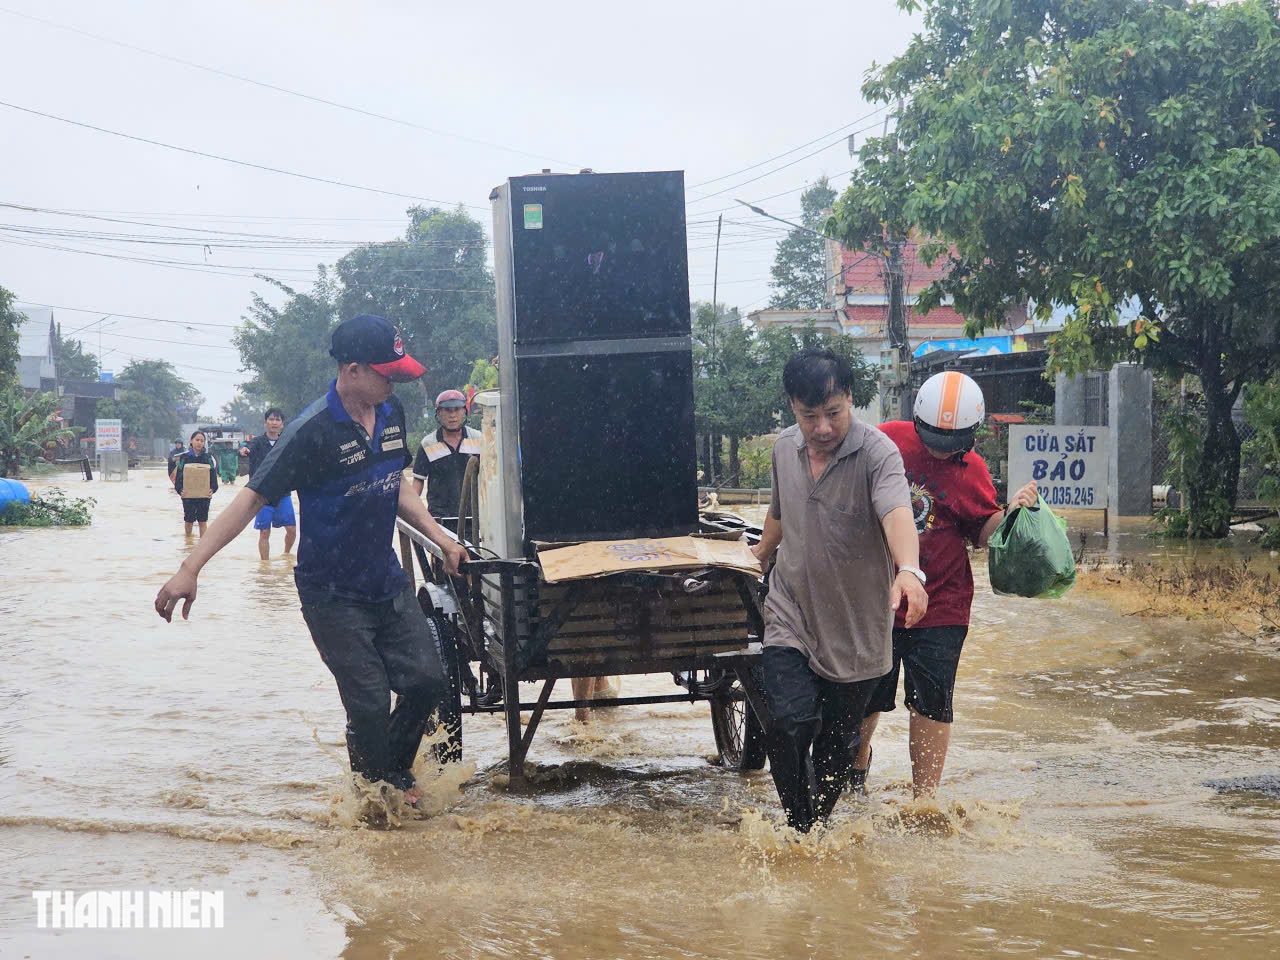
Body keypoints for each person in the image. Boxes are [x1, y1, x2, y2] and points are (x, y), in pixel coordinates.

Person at [154, 314, 468, 814]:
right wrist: (191, 567)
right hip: (331, 594)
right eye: (387, 372)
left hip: (385, 579)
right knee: (367, 701)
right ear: (352, 370)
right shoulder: (309, 433)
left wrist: (440, 540)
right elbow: (249, 502)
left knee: (426, 682)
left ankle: (388, 774)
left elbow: (398, 483)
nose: (396, 381)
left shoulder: (392, 412)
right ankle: (374, 807)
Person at [751, 349, 927, 834]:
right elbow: (782, 512)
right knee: (787, 723)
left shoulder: (877, 454)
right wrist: (760, 554)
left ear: (850, 399)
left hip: (856, 627)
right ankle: (800, 836)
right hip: (791, 611)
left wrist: (910, 571)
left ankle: (813, 831)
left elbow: (896, 512)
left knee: (837, 746)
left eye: (833, 413)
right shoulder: (784, 449)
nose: (823, 428)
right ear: (792, 408)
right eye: (810, 416)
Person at [854, 371, 1038, 799]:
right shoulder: (885, 441)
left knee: (933, 701)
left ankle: (925, 800)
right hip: (876, 597)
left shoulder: (973, 470)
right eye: (932, 438)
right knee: (866, 696)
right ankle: (854, 775)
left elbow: (983, 531)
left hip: (942, 604)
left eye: (949, 443)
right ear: (916, 421)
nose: (938, 450)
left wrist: (1014, 512)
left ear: (971, 435)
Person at [411, 389, 481, 526]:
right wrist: (412, 512)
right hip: (440, 519)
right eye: (447, 410)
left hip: (474, 519)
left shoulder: (479, 440)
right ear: (439, 414)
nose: (452, 415)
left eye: (457, 410)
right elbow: (418, 481)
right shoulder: (428, 444)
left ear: (464, 412)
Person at [239, 408, 297, 560]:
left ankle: (286, 554)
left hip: (282, 493)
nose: (274, 423)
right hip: (262, 494)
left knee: (291, 529)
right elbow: (247, 448)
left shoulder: (286, 442)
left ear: (282, 424)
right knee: (264, 532)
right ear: (265, 423)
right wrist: (244, 449)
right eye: (271, 419)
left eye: (278, 420)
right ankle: (265, 565)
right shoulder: (257, 442)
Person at [173, 430, 218, 537]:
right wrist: (180, 490)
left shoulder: (208, 458)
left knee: (202, 521)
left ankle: (202, 546)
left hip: (204, 496)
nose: (199, 443)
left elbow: (213, 475)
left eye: (202, 441)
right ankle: (188, 543)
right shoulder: (185, 457)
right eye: (197, 440)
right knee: (189, 521)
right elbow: (179, 476)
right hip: (188, 495)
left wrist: (213, 489)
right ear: (191, 441)